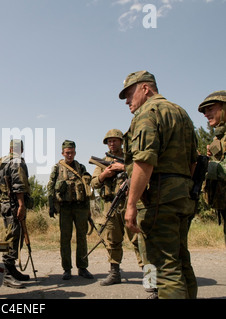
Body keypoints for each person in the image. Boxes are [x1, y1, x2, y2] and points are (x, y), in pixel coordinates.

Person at [120, 70, 198, 299]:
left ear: (145, 88)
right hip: (183, 198)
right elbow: (193, 161)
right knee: (182, 262)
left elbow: (143, 162)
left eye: (129, 93)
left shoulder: (148, 113)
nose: (127, 100)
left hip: (159, 201)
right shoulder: (181, 112)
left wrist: (131, 203)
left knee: (164, 269)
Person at [90, 129, 143, 286]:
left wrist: (124, 168)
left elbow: (142, 171)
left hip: (130, 203)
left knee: (138, 239)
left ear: (121, 141)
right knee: (112, 241)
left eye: (115, 140)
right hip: (111, 205)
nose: (112, 143)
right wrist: (105, 174)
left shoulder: (130, 158)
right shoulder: (103, 161)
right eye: (109, 141)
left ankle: (149, 275)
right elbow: (94, 183)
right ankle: (114, 272)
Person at [47, 140, 94, 281]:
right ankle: (67, 269)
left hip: (80, 208)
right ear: (62, 153)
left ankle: (83, 267)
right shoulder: (57, 168)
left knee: (82, 238)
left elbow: (87, 189)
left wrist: (88, 210)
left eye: (72, 152)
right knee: (65, 239)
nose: (70, 155)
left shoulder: (81, 167)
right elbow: (50, 187)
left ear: (75, 152)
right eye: (67, 152)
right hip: (65, 208)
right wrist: (51, 205)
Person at [0, 139, 34, 289]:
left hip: (7, 204)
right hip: (13, 205)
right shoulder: (16, 162)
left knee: (14, 236)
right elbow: (18, 185)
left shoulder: (4, 162)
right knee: (12, 238)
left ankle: (12, 270)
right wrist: (21, 205)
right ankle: (7, 274)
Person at [198, 91, 226, 245]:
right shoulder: (219, 137)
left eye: (210, 109)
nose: (206, 114)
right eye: (204, 111)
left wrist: (207, 167)